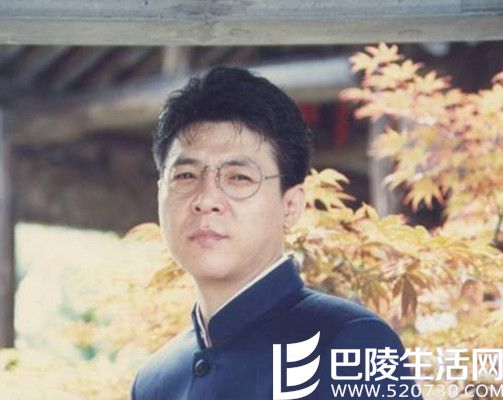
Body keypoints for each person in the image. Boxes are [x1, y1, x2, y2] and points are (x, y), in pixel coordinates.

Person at [131, 67, 422, 399]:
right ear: (160, 193)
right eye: (185, 175)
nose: (206, 200)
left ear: (290, 206)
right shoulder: (154, 382)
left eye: (239, 177)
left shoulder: (350, 343)